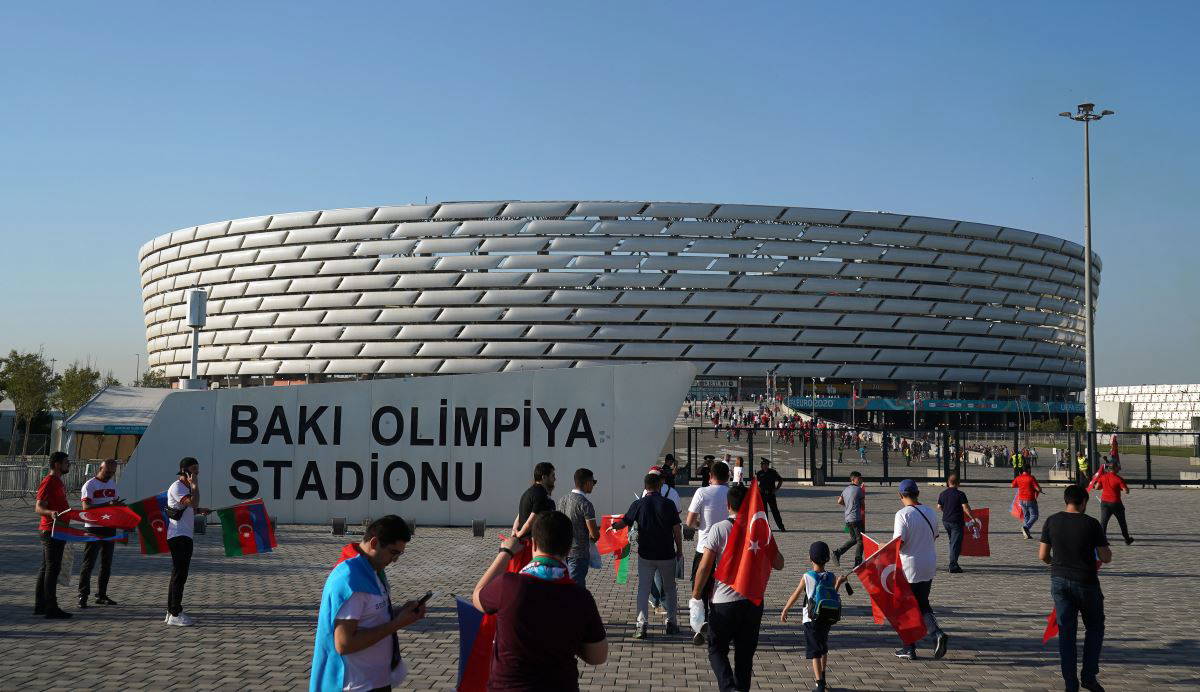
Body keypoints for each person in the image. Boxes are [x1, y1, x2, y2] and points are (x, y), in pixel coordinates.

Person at [472, 511, 608, 691]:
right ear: (568, 549)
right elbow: (598, 656)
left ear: (534, 544)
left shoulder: (508, 586)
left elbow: (478, 596)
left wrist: (506, 552)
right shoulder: (580, 598)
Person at [310, 515, 425, 691]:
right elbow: (344, 643)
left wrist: (401, 612)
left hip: (374, 680)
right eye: (393, 552)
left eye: (400, 554)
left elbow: (369, 615)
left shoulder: (372, 568)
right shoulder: (351, 580)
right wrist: (396, 623)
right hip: (354, 685)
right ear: (374, 543)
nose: (395, 560)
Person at [691, 484, 785, 692]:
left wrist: (696, 595)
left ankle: (728, 687)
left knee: (716, 649)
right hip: (753, 601)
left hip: (723, 602)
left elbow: (705, 566)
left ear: (728, 505)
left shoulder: (719, 528)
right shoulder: (760, 527)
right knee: (745, 657)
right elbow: (779, 563)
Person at [1040, 485, 1112, 692]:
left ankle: (1070, 683)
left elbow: (1043, 555)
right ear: (1084, 502)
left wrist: (1056, 562)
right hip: (1086, 582)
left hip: (1059, 581)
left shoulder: (1052, 521)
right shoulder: (1091, 523)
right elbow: (1105, 557)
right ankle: (1089, 676)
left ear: (1066, 501)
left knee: (1067, 633)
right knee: (1095, 628)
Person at [611, 473, 683, 638]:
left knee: (643, 589)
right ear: (659, 486)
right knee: (670, 588)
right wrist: (679, 551)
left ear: (645, 487)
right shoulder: (668, 504)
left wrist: (613, 526)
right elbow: (677, 530)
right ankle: (671, 623)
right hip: (666, 554)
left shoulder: (638, 504)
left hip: (646, 555)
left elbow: (625, 521)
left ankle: (641, 625)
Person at [781, 541, 851, 692]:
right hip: (827, 617)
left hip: (811, 619)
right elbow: (832, 594)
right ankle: (823, 677)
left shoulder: (807, 576)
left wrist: (786, 608)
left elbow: (796, 594)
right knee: (823, 647)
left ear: (810, 558)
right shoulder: (831, 576)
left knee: (815, 652)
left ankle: (819, 684)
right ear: (827, 559)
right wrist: (838, 582)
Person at [892, 479, 948, 660]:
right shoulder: (930, 512)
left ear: (901, 495)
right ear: (917, 494)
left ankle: (909, 647)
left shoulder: (902, 515)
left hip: (910, 566)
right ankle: (936, 634)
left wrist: (883, 546)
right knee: (922, 602)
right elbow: (935, 536)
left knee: (904, 607)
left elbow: (898, 544)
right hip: (929, 564)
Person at [685, 461, 730, 645]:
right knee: (721, 590)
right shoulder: (731, 493)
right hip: (726, 550)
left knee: (699, 588)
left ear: (710, 475)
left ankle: (700, 625)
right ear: (728, 476)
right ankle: (717, 626)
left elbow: (689, 521)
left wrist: (700, 525)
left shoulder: (702, 492)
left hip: (704, 548)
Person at [165, 457, 210, 626]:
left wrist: (199, 510)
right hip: (178, 536)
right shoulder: (177, 487)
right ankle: (175, 613)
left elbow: (190, 506)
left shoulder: (184, 487)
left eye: (197, 470)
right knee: (179, 575)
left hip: (184, 535)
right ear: (184, 471)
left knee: (178, 575)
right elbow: (192, 502)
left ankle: (172, 610)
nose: (196, 473)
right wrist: (195, 485)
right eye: (193, 470)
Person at [78, 458, 123, 608]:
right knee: (89, 562)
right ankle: (83, 595)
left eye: (112, 472)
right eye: (107, 471)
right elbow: (86, 508)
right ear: (100, 469)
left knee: (106, 563)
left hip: (109, 526)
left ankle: (101, 595)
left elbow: (114, 503)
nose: (110, 474)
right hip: (93, 527)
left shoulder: (112, 483)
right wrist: (107, 504)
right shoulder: (90, 485)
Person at [34, 451, 73, 619]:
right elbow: (38, 507)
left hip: (59, 529)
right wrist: (50, 513)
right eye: (66, 462)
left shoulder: (58, 482)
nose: (68, 465)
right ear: (57, 464)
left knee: (46, 568)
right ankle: (51, 607)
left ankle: (40, 605)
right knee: (52, 568)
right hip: (51, 530)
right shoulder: (49, 482)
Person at [646, 465, 683, 618]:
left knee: (655, 572)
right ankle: (659, 600)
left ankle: (656, 599)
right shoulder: (672, 493)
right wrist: (679, 548)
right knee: (661, 573)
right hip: (666, 537)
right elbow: (678, 515)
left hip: (650, 537)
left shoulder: (647, 492)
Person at [558, 467, 600, 588]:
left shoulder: (562, 500)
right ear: (587, 483)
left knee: (565, 586)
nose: (594, 485)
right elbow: (594, 534)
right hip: (579, 554)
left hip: (563, 551)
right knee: (576, 590)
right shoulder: (585, 504)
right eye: (594, 482)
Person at [936, 473, 976, 574]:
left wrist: (947, 511)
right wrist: (973, 518)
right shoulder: (960, 494)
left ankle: (953, 560)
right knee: (955, 543)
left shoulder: (942, 494)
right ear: (958, 483)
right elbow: (965, 508)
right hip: (956, 522)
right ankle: (953, 565)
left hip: (946, 521)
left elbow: (939, 507)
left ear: (948, 483)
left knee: (952, 541)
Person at [1087, 463, 1133, 545]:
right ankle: (1127, 539)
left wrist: (1104, 487)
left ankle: (1102, 540)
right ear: (1115, 469)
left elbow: (1097, 487)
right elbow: (1126, 491)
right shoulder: (1119, 479)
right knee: (1122, 522)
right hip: (1116, 503)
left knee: (1103, 522)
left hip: (1104, 502)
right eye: (1118, 468)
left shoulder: (1103, 477)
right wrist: (1122, 488)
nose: (1119, 469)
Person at [513, 462, 556, 538]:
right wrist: (519, 534)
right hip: (533, 543)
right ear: (544, 477)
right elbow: (531, 520)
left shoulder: (527, 493)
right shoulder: (541, 495)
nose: (555, 479)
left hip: (523, 541)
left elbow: (519, 515)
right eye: (552, 476)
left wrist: (514, 531)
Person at [832, 472, 866, 568]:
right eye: (859, 478)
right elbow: (862, 504)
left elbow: (839, 501)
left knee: (854, 539)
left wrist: (848, 505)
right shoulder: (859, 490)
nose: (861, 480)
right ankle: (858, 562)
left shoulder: (846, 489)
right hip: (856, 518)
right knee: (861, 541)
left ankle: (837, 553)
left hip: (848, 519)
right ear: (854, 479)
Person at [755, 458, 786, 532]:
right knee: (764, 512)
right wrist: (758, 489)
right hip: (762, 495)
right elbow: (755, 483)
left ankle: (781, 526)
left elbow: (780, 480)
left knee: (775, 511)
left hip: (771, 494)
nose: (763, 466)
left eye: (765, 464)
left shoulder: (772, 472)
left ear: (767, 465)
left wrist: (777, 489)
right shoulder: (759, 473)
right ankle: (766, 527)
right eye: (762, 465)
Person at [1011, 468, 1043, 539]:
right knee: (1034, 516)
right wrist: (1039, 490)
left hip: (1021, 500)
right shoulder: (1031, 478)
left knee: (1026, 516)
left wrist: (1021, 486)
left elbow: (1012, 485)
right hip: (1030, 499)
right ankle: (1026, 527)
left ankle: (1026, 534)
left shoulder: (1018, 477)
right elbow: (1037, 489)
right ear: (1028, 470)